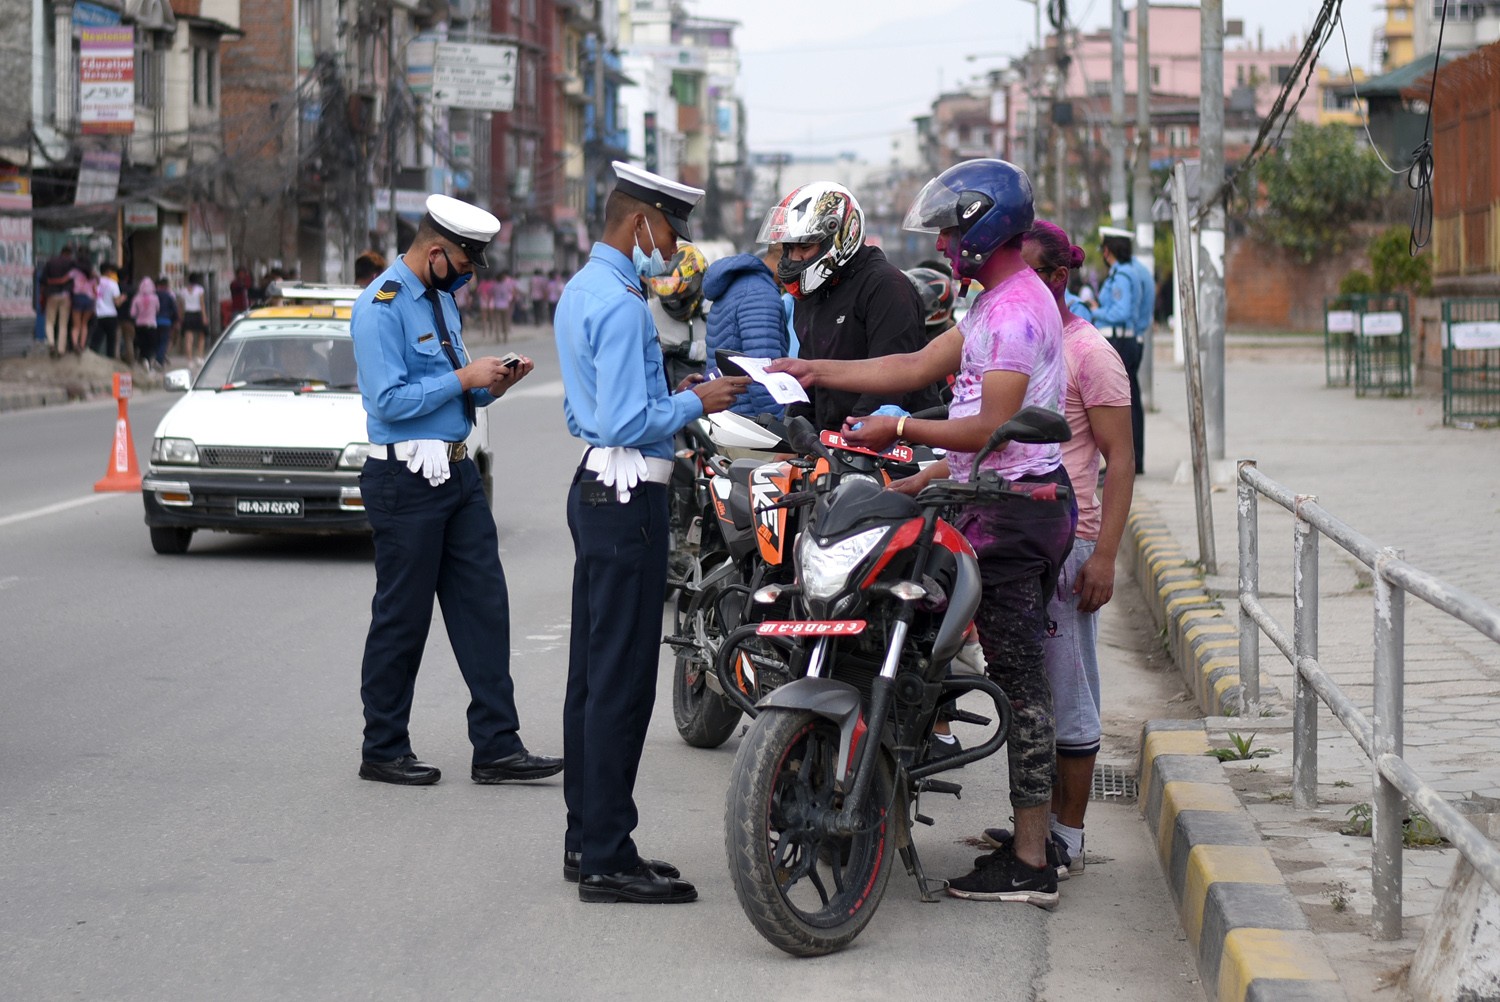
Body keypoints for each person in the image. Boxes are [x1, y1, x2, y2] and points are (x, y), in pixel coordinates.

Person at [770, 159, 1075, 909]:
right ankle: (895, 780)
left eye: (950, 231)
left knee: (1019, 678)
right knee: (892, 619)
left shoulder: (1013, 314)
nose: (942, 245)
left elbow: (988, 425)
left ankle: (1034, 860)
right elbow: (914, 362)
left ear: (985, 229)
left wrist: (903, 427)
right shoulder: (988, 303)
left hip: (1016, 509)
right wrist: (814, 368)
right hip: (979, 495)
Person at [554, 160, 749, 904]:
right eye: (669, 229)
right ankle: (607, 856)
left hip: (597, 484)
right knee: (622, 683)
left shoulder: (585, 291)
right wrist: (696, 400)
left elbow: (594, 411)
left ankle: (588, 839)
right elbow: (625, 420)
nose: (674, 247)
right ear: (639, 223)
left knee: (591, 680)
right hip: (626, 490)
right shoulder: (627, 305)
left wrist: (670, 399)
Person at [350, 193, 562, 789]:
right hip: (404, 478)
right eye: (466, 266)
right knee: (402, 617)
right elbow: (387, 402)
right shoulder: (381, 307)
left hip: (459, 472)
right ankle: (383, 746)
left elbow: (458, 395)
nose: (469, 279)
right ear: (437, 252)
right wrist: (463, 377)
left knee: (485, 608)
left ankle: (497, 746)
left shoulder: (443, 302)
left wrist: (492, 384)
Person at [977, 219, 1135, 877]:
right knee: (1027, 685)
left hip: (1068, 543)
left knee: (1068, 691)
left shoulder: (1089, 354)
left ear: (1058, 278)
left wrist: (1103, 557)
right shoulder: (1017, 337)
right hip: (1016, 534)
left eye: (1028, 271)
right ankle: (1033, 830)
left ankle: (1065, 838)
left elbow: (1121, 462)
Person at [759, 180, 940, 431]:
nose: (794, 258)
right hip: (832, 446)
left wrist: (850, 438)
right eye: (789, 249)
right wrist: (797, 435)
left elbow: (891, 380)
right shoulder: (814, 290)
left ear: (838, 237)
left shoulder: (885, 286)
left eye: (804, 246)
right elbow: (810, 378)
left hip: (892, 445)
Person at [703, 244, 789, 418]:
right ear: (788, 256)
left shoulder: (738, 285)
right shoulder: (760, 296)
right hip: (750, 422)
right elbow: (763, 375)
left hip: (728, 414)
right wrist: (780, 424)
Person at [1089, 228, 1146, 475]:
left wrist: (1095, 311)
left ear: (1108, 250)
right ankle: (1132, 460)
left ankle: (1127, 462)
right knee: (1130, 403)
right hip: (1125, 341)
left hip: (1121, 341)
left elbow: (1121, 313)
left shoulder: (1121, 276)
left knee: (1123, 405)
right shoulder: (1126, 273)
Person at [647, 243, 709, 391]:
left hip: (711, 394)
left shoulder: (715, 307)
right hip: (669, 397)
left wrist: (693, 350)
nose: (674, 302)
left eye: (680, 293)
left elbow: (728, 349)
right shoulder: (649, 311)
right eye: (667, 294)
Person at [40, 245, 75, 356]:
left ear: (61, 252)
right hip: (66, 296)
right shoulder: (71, 264)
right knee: (63, 324)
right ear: (69, 254)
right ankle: (61, 350)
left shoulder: (50, 262)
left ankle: (51, 343)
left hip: (52, 295)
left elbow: (43, 279)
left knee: (50, 322)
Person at [91, 263, 123, 358]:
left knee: (96, 340)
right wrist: (122, 298)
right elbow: (117, 302)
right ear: (108, 271)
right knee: (111, 341)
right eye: (112, 272)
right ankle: (110, 361)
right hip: (111, 315)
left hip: (98, 314)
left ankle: (92, 358)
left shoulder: (95, 282)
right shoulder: (113, 284)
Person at [67, 258, 97, 354]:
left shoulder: (75, 272)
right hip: (90, 300)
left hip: (78, 298)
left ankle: (75, 345)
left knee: (76, 325)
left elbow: (65, 279)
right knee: (84, 324)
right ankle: (82, 346)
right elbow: (95, 290)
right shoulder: (93, 275)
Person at [130, 276, 159, 370]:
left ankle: (143, 360)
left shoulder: (136, 298)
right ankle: (149, 361)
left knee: (142, 344)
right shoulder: (155, 298)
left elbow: (132, 313)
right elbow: (158, 310)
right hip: (151, 324)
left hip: (139, 325)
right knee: (151, 345)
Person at [181, 272, 207, 362]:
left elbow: (182, 305)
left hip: (188, 314)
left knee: (189, 339)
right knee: (201, 336)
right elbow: (202, 304)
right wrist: (204, 317)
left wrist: (181, 317)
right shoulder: (200, 290)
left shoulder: (184, 291)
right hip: (197, 313)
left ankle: (189, 359)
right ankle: (199, 356)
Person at [155, 275, 178, 367]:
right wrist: (175, 321)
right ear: (166, 286)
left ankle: (157, 358)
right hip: (166, 322)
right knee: (164, 342)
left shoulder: (154, 295)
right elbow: (174, 310)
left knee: (157, 341)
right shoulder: (169, 296)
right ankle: (159, 360)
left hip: (155, 322)